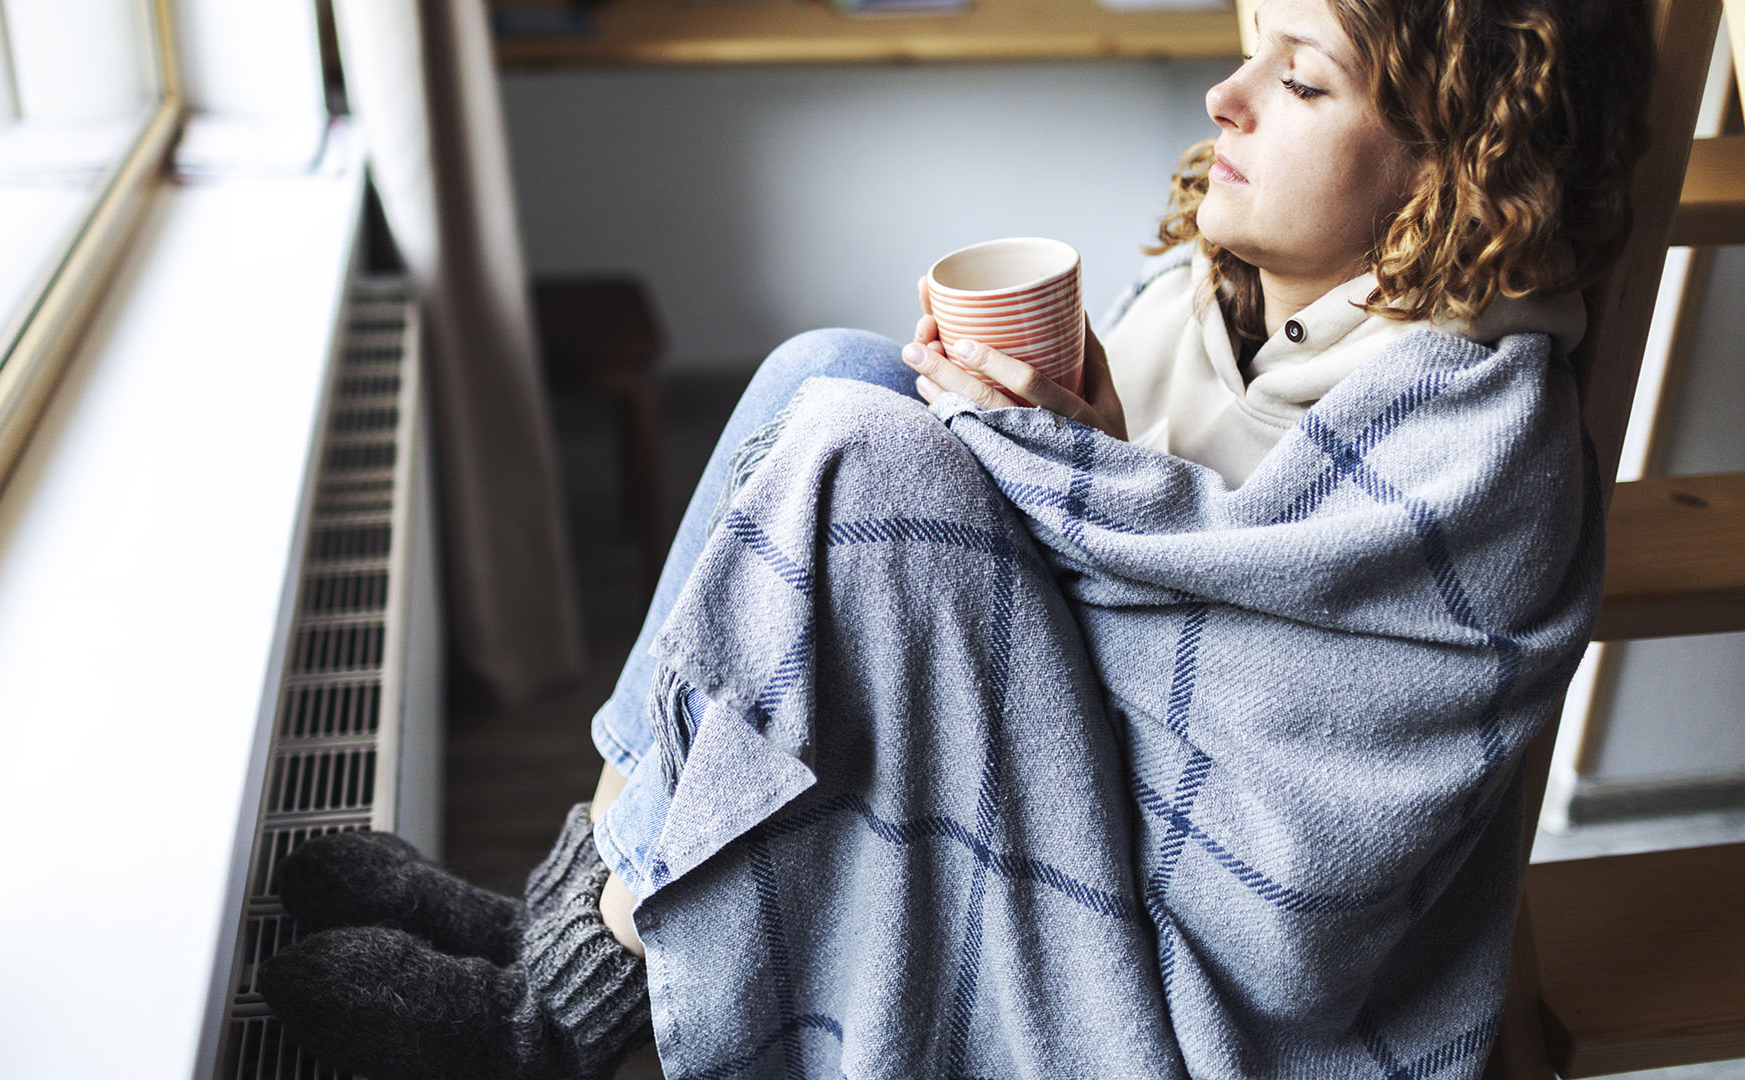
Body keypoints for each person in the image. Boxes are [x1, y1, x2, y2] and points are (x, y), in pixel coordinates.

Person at [256, 0, 1652, 1075]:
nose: (1224, 96)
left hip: (1195, 986)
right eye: (1249, 44)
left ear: (1459, 171)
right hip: (1097, 802)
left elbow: (1275, 847)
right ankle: (577, 913)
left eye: (1299, 80)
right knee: (835, 376)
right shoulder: (1218, 305)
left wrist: (1053, 478)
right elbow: (1184, 587)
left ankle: (560, 1013)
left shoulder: (1475, 439)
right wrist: (1088, 459)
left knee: (868, 462)